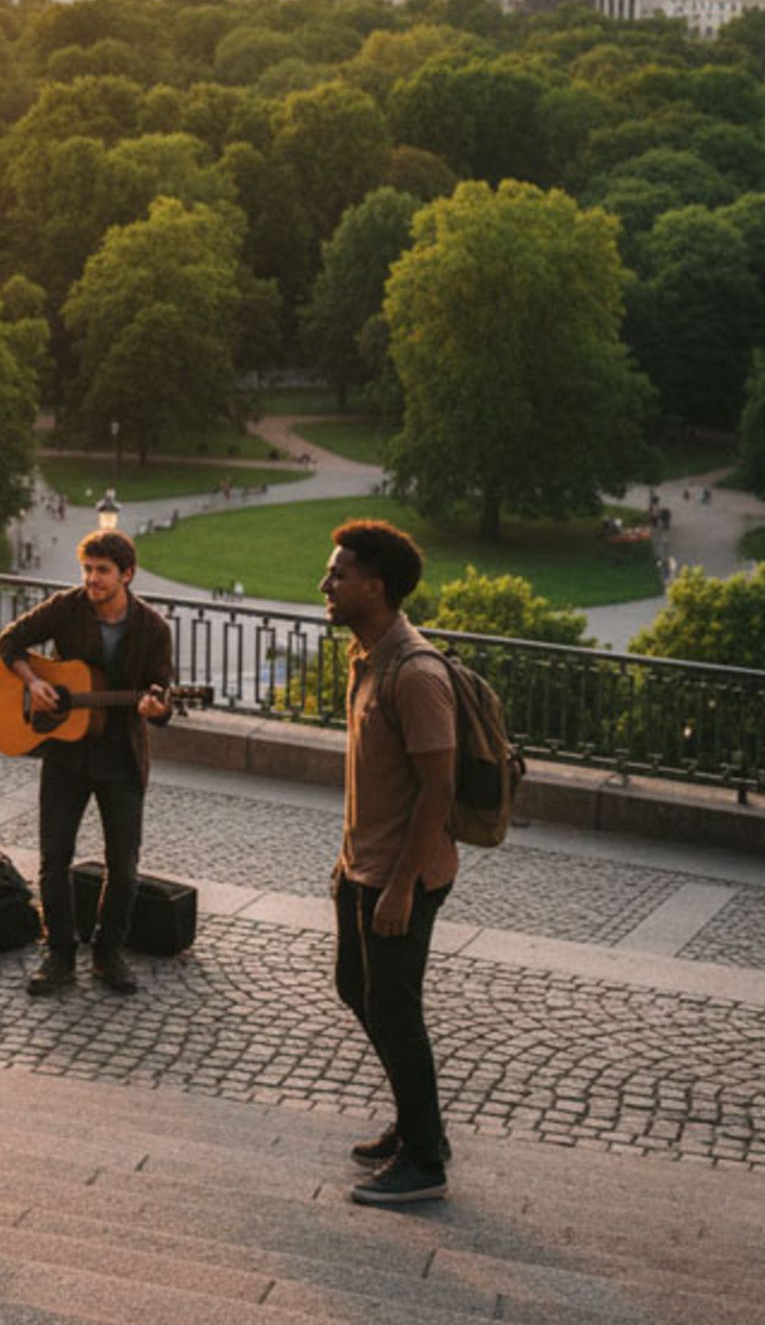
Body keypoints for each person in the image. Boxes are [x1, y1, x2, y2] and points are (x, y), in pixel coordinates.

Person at [319, 517, 455, 1209]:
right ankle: (415, 1117)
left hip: (404, 875)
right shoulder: (366, 656)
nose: (326, 585)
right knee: (358, 989)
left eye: (339, 575)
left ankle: (425, 1157)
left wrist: (401, 886)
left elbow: (439, 786)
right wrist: (348, 868)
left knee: (395, 1011)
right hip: (362, 869)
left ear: (375, 586)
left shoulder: (415, 672)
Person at [0, 530, 175, 997]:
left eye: (103, 571)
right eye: (88, 570)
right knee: (54, 860)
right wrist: (33, 682)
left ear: (127, 575)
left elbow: (161, 693)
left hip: (121, 757)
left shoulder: (153, 629)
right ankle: (58, 954)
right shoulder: (68, 606)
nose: (92, 580)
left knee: (125, 867)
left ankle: (107, 952)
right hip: (65, 754)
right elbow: (10, 642)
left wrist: (157, 709)